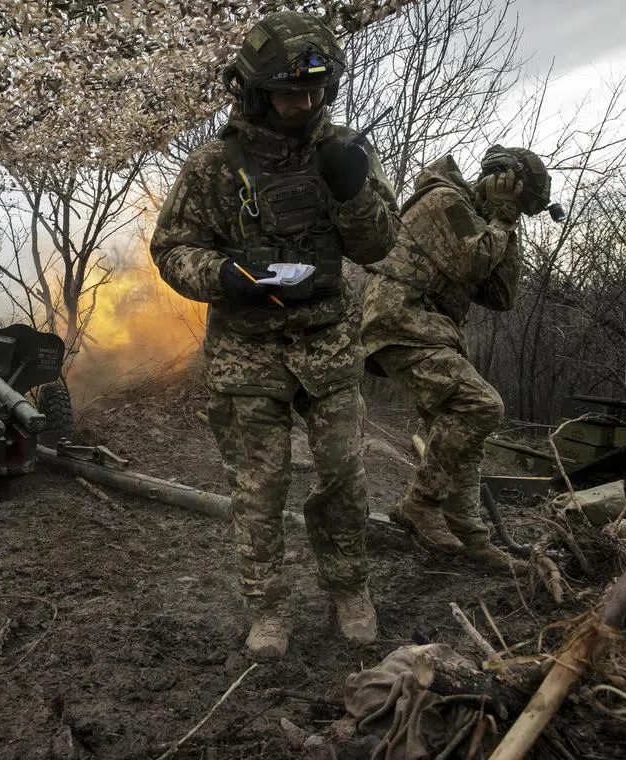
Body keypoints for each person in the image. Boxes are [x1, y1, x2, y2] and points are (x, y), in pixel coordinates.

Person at [150, 10, 398, 659]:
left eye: (317, 90)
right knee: (259, 492)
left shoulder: (345, 152)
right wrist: (224, 275)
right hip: (245, 352)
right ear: (256, 91)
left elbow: (378, 246)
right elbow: (172, 247)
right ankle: (268, 608)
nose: (306, 102)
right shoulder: (213, 166)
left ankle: (350, 589)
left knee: (344, 476)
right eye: (291, 91)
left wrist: (352, 193)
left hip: (330, 343)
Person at [360, 146, 552, 571]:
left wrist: (507, 222)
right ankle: (419, 503)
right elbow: (471, 264)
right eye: (515, 200)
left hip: (430, 328)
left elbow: (501, 295)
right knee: (482, 405)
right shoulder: (444, 200)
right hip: (401, 319)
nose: (514, 211)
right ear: (497, 180)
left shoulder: (485, 221)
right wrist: (501, 219)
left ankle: (470, 536)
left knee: (464, 433)